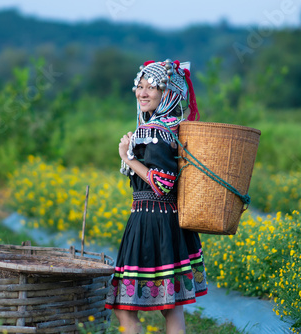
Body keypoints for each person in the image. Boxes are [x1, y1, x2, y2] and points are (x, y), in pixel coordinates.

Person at [105, 59, 207, 334]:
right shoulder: (171, 127)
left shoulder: (154, 131)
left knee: (124, 305)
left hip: (151, 221)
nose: (143, 93)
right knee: (170, 305)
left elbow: (162, 183)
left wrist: (126, 156)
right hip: (167, 223)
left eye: (153, 87)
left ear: (168, 94)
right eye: (140, 86)